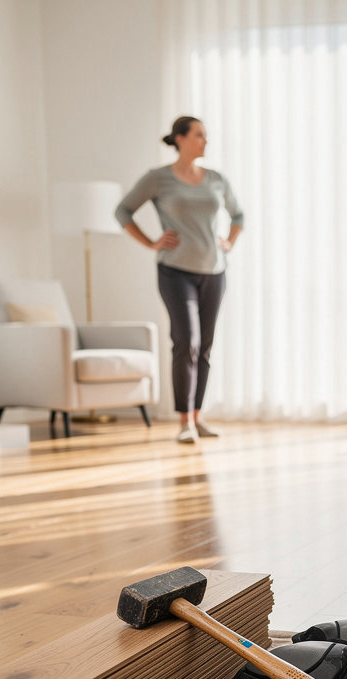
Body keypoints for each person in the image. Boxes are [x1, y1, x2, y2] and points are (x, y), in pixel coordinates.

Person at [116, 116, 244, 444]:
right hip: (175, 271)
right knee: (187, 342)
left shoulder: (216, 179)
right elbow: (123, 211)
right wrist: (151, 242)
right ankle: (184, 421)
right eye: (200, 135)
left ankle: (198, 417)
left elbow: (238, 215)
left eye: (206, 136)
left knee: (205, 348)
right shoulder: (158, 179)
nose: (205, 141)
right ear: (181, 139)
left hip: (214, 272)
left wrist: (229, 241)